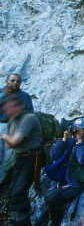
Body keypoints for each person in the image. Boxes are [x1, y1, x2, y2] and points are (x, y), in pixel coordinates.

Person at [44, 118, 84, 225]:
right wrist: (64, 140)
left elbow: (82, 160)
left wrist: (80, 142)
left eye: (79, 130)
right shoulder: (71, 141)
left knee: (52, 197)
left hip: (76, 183)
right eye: (75, 129)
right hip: (66, 176)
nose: (76, 132)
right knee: (47, 200)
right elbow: (54, 154)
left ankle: (55, 221)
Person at [0, 95, 42, 226]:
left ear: (20, 106)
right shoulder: (13, 121)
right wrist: (10, 140)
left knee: (19, 192)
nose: (9, 111)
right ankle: (14, 221)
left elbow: (13, 141)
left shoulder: (28, 118)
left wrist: (5, 136)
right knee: (12, 190)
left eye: (12, 107)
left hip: (32, 157)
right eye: (7, 109)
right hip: (21, 157)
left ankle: (24, 223)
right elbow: (9, 145)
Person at [0, 73, 34, 184]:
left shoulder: (25, 96)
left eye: (18, 81)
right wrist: (4, 95)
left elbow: (30, 114)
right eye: (12, 80)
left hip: (15, 128)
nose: (15, 83)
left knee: (8, 159)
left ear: (21, 83)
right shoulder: (1, 92)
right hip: (1, 124)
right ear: (7, 82)